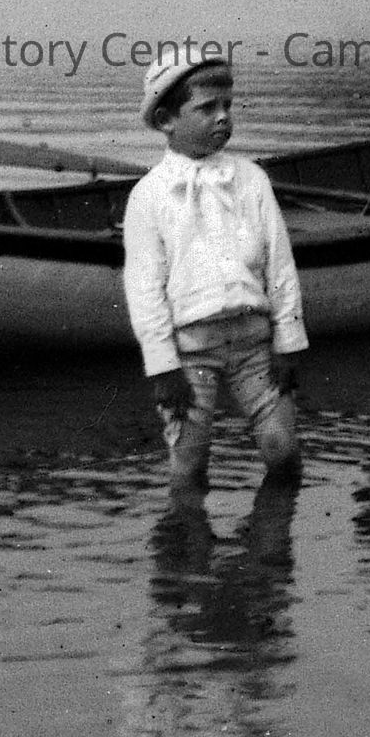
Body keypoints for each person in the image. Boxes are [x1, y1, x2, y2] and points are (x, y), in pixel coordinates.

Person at [121, 45, 306, 491]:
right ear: (166, 120)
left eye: (228, 105)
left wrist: (289, 342)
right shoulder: (149, 195)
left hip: (254, 343)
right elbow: (144, 290)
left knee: (282, 449)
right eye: (207, 108)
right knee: (188, 461)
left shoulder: (251, 179)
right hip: (190, 352)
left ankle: (273, 532)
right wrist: (162, 368)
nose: (223, 116)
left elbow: (280, 265)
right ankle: (187, 532)